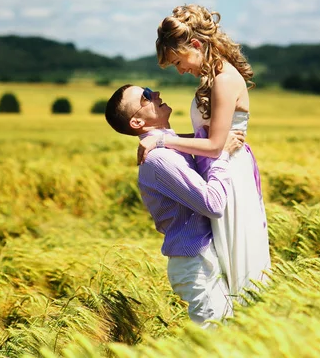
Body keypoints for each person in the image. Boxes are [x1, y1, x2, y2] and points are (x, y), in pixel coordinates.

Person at [139, 4, 271, 302]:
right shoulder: (212, 78)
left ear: (196, 45)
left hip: (230, 173)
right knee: (223, 261)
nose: (181, 69)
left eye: (179, 60)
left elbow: (214, 145)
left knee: (236, 261)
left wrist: (161, 142)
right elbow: (206, 138)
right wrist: (162, 136)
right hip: (218, 169)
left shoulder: (224, 80)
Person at [105, 84, 245, 326]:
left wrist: (214, 141)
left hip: (204, 257)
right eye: (146, 96)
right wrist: (222, 155)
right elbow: (213, 204)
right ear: (137, 122)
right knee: (216, 341)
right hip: (196, 262)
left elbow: (201, 141)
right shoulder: (161, 159)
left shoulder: (167, 146)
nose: (156, 93)